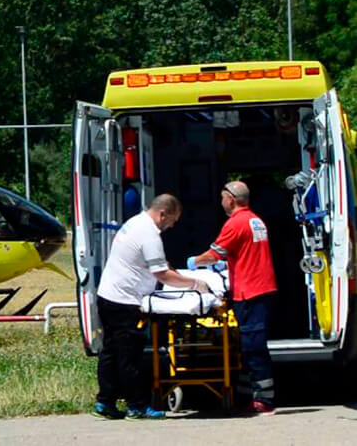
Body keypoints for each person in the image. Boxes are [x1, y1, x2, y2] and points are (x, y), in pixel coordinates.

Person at [94, 193, 208, 421]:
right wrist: (195, 283)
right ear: (163, 213)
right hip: (125, 302)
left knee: (110, 352)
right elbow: (162, 275)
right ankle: (137, 406)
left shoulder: (135, 222)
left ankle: (104, 401)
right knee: (129, 355)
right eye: (173, 220)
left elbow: (152, 262)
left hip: (107, 295)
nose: (173, 225)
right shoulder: (149, 235)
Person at [187, 180, 277, 416]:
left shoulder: (235, 223)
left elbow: (213, 254)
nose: (220, 202)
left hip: (250, 291)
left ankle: (264, 400)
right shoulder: (255, 220)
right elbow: (243, 252)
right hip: (261, 287)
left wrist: (193, 262)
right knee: (249, 345)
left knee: (252, 345)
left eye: (222, 197)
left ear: (231, 198)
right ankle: (252, 396)